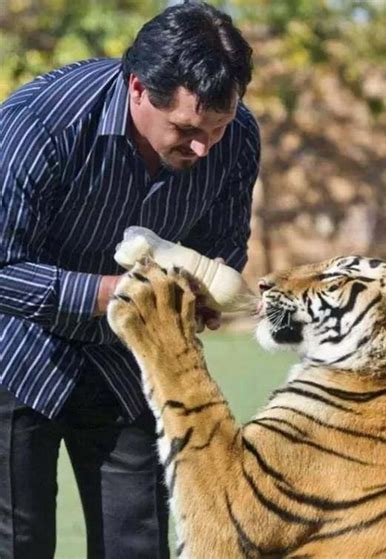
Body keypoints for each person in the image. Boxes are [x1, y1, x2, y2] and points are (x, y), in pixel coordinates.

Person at [0, 1, 260, 557]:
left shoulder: (235, 138)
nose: (203, 148)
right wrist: (112, 294)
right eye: (188, 130)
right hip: (18, 352)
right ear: (138, 88)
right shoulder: (40, 124)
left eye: (217, 129)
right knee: (18, 543)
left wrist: (207, 296)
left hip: (130, 359)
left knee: (137, 544)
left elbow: (222, 243)